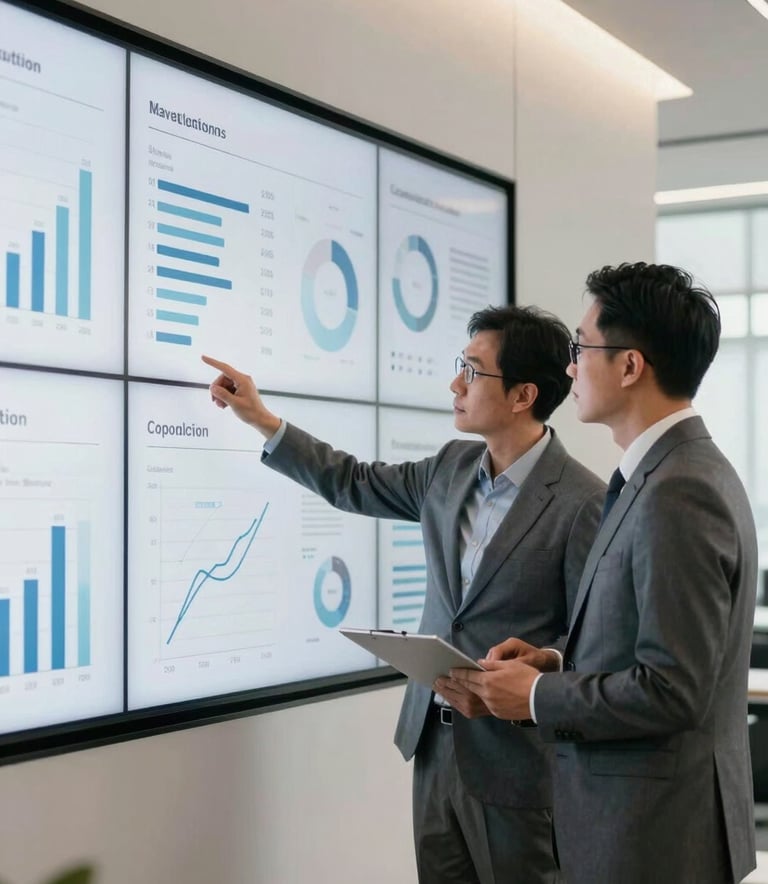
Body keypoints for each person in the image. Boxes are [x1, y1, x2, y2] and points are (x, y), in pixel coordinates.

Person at [202, 304, 605, 884]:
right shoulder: (450, 467)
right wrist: (264, 420)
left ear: (522, 395)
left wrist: (539, 673)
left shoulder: (582, 501)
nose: (455, 384)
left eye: (472, 371)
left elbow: (590, 637)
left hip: (519, 766)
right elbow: (352, 481)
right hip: (434, 746)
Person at [444, 263, 759, 884]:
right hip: (640, 826)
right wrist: (554, 664)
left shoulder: (680, 489)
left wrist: (534, 697)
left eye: (580, 348)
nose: (569, 368)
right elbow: (653, 643)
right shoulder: (662, 474)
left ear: (629, 366)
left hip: (653, 836)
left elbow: (673, 689)